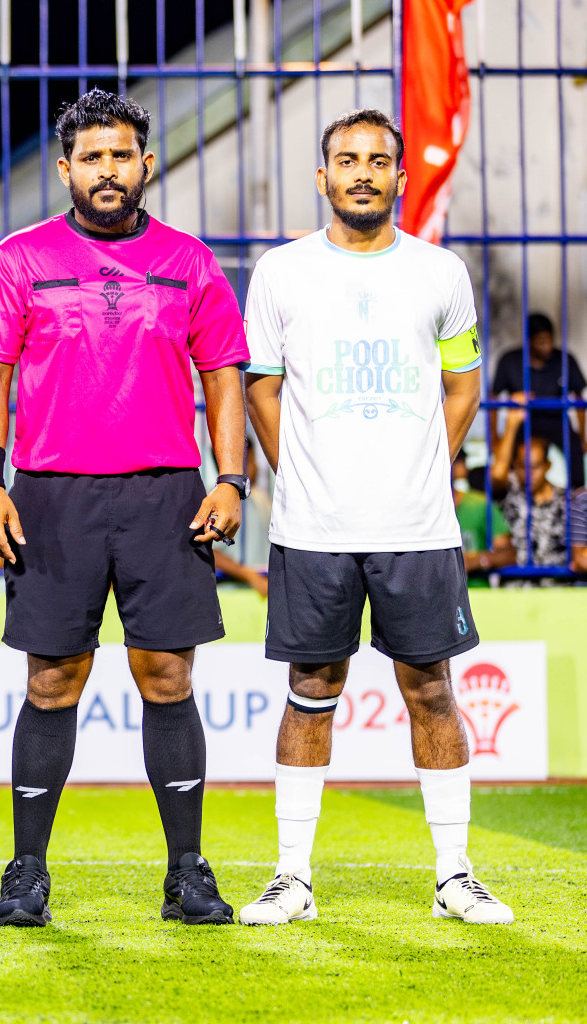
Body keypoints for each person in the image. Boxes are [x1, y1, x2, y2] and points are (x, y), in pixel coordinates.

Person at [0, 89, 247, 927]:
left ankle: (188, 873)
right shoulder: (20, 259)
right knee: (53, 680)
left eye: (121, 154)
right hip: (51, 496)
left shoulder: (191, 262)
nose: (107, 169)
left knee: (167, 676)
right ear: (65, 170)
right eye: (91, 157)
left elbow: (225, 373)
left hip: (166, 493)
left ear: (146, 163)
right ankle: (26, 874)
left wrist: (231, 478)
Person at [239, 109, 511, 925]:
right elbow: (260, 386)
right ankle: (292, 878)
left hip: (418, 527)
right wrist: (303, 470)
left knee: (431, 690)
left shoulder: (440, 272)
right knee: (310, 689)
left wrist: (431, 458)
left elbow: (462, 384)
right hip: (314, 530)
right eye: (346, 160)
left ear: (400, 177)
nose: (363, 172)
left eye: (378, 161)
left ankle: (454, 874)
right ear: (322, 177)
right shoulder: (281, 272)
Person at [490, 312, 584, 487]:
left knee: (575, 452)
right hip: (523, 420)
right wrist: (494, 437)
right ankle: (510, 498)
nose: (547, 346)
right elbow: (493, 400)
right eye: (541, 341)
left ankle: (576, 500)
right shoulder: (510, 361)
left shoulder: (564, 359)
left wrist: (583, 436)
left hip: (556, 420)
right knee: (506, 458)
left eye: (549, 340)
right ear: (529, 341)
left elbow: (579, 399)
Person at [491, 426, 568, 583]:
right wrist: (512, 423)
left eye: (535, 466)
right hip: (515, 589)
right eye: (522, 466)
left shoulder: (565, 500)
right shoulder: (511, 492)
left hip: (558, 591)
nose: (528, 473)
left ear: (548, 465)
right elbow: (497, 474)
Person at [214, 437, 273, 596]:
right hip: (229, 594)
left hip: (262, 594)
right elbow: (210, 552)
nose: (256, 466)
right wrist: (249, 576)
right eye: (250, 461)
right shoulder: (213, 501)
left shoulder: (261, 499)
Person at [453, 452, 513, 585]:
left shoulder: (481, 505)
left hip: (476, 598)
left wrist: (477, 561)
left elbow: (509, 554)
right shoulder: (416, 508)